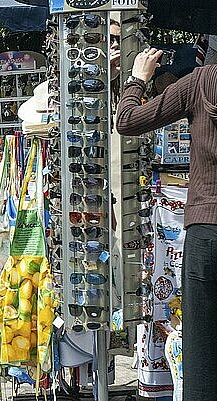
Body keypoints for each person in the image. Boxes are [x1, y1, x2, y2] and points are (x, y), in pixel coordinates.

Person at [116, 47, 217, 401]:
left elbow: (128, 120)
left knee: (202, 352)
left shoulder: (201, 82)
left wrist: (137, 79)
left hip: (207, 230)